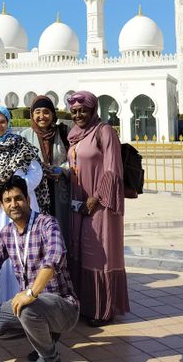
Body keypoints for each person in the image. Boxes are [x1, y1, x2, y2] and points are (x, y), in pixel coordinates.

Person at [0, 176, 79, 362]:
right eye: (7, 200)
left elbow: (54, 257)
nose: (13, 204)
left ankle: (49, 356)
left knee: (26, 307)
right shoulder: (7, 233)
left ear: (28, 200)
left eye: (18, 198)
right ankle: (44, 338)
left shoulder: (47, 223)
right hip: (31, 305)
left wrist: (31, 293)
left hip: (63, 306)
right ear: (2, 205)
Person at [0, 105, 48, 302]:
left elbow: (36, 172)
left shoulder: (21, 145)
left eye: (2, 121)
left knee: (24, 253)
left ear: (8, 123)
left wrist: (16, 191)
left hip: (18, 207)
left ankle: (26, 299)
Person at [66, 90, 129, 326]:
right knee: (81, 253)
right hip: (79, 205)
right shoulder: (75, 135)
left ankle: (104, 309)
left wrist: (97, 197)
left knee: (99, 256)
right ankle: (85, 304)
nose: (79, 114)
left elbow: (113, 170)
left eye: (83, 110)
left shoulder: (105, 131)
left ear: (93, 110)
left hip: (100, 205)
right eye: (74, 111)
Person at [21, 95, 71, 238]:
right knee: (38, 231)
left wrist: (62, 170)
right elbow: (20, 164)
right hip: (36, 193)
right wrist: (38, 169)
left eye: (46, 112)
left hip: (60, 190)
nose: (42, 116)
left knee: (62, 229)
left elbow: (75, 159)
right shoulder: (24, 136)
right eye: (37, 112)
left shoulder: (63, 133)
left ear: (53, 114)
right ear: (32, 114)